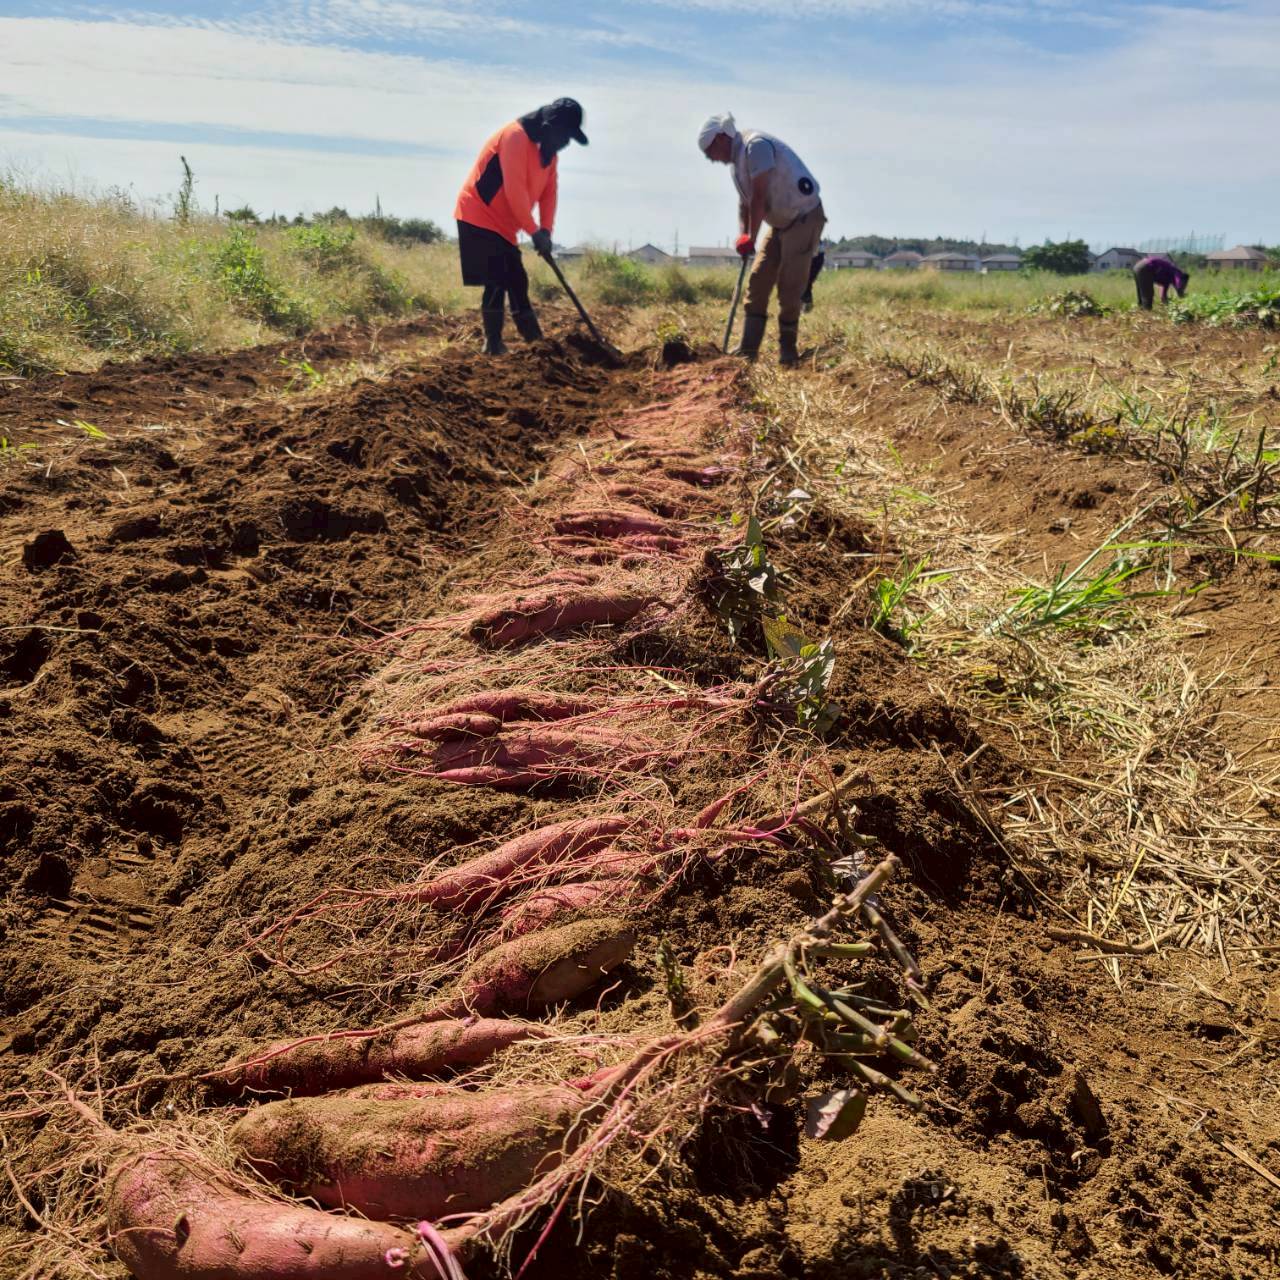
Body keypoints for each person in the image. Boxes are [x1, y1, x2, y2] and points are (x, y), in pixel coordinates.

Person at [454, 98, 588, 354]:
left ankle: (538, 347)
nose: (566, 143)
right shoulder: (515, 137)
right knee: (496, 279)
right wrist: (533, 231)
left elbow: (549, 193)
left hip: (505, 224)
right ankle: (493, 344)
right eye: (565, 136)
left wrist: (546, 230)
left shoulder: (549, 155)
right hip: (478, 213)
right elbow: (514, 190)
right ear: (549, 128)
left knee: (518, 281)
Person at [698, 113, 825, 365]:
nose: (711, 159)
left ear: (721, 138)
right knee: (758, 281)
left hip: (803, 217)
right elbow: (745, 203)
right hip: (780, 224)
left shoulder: (755, 147)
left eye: (710, 151)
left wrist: (752, 236)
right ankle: (748, 350)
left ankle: (788, 351)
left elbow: (759, 198)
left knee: (790, 286)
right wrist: (744, 235)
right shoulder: (737, 164)